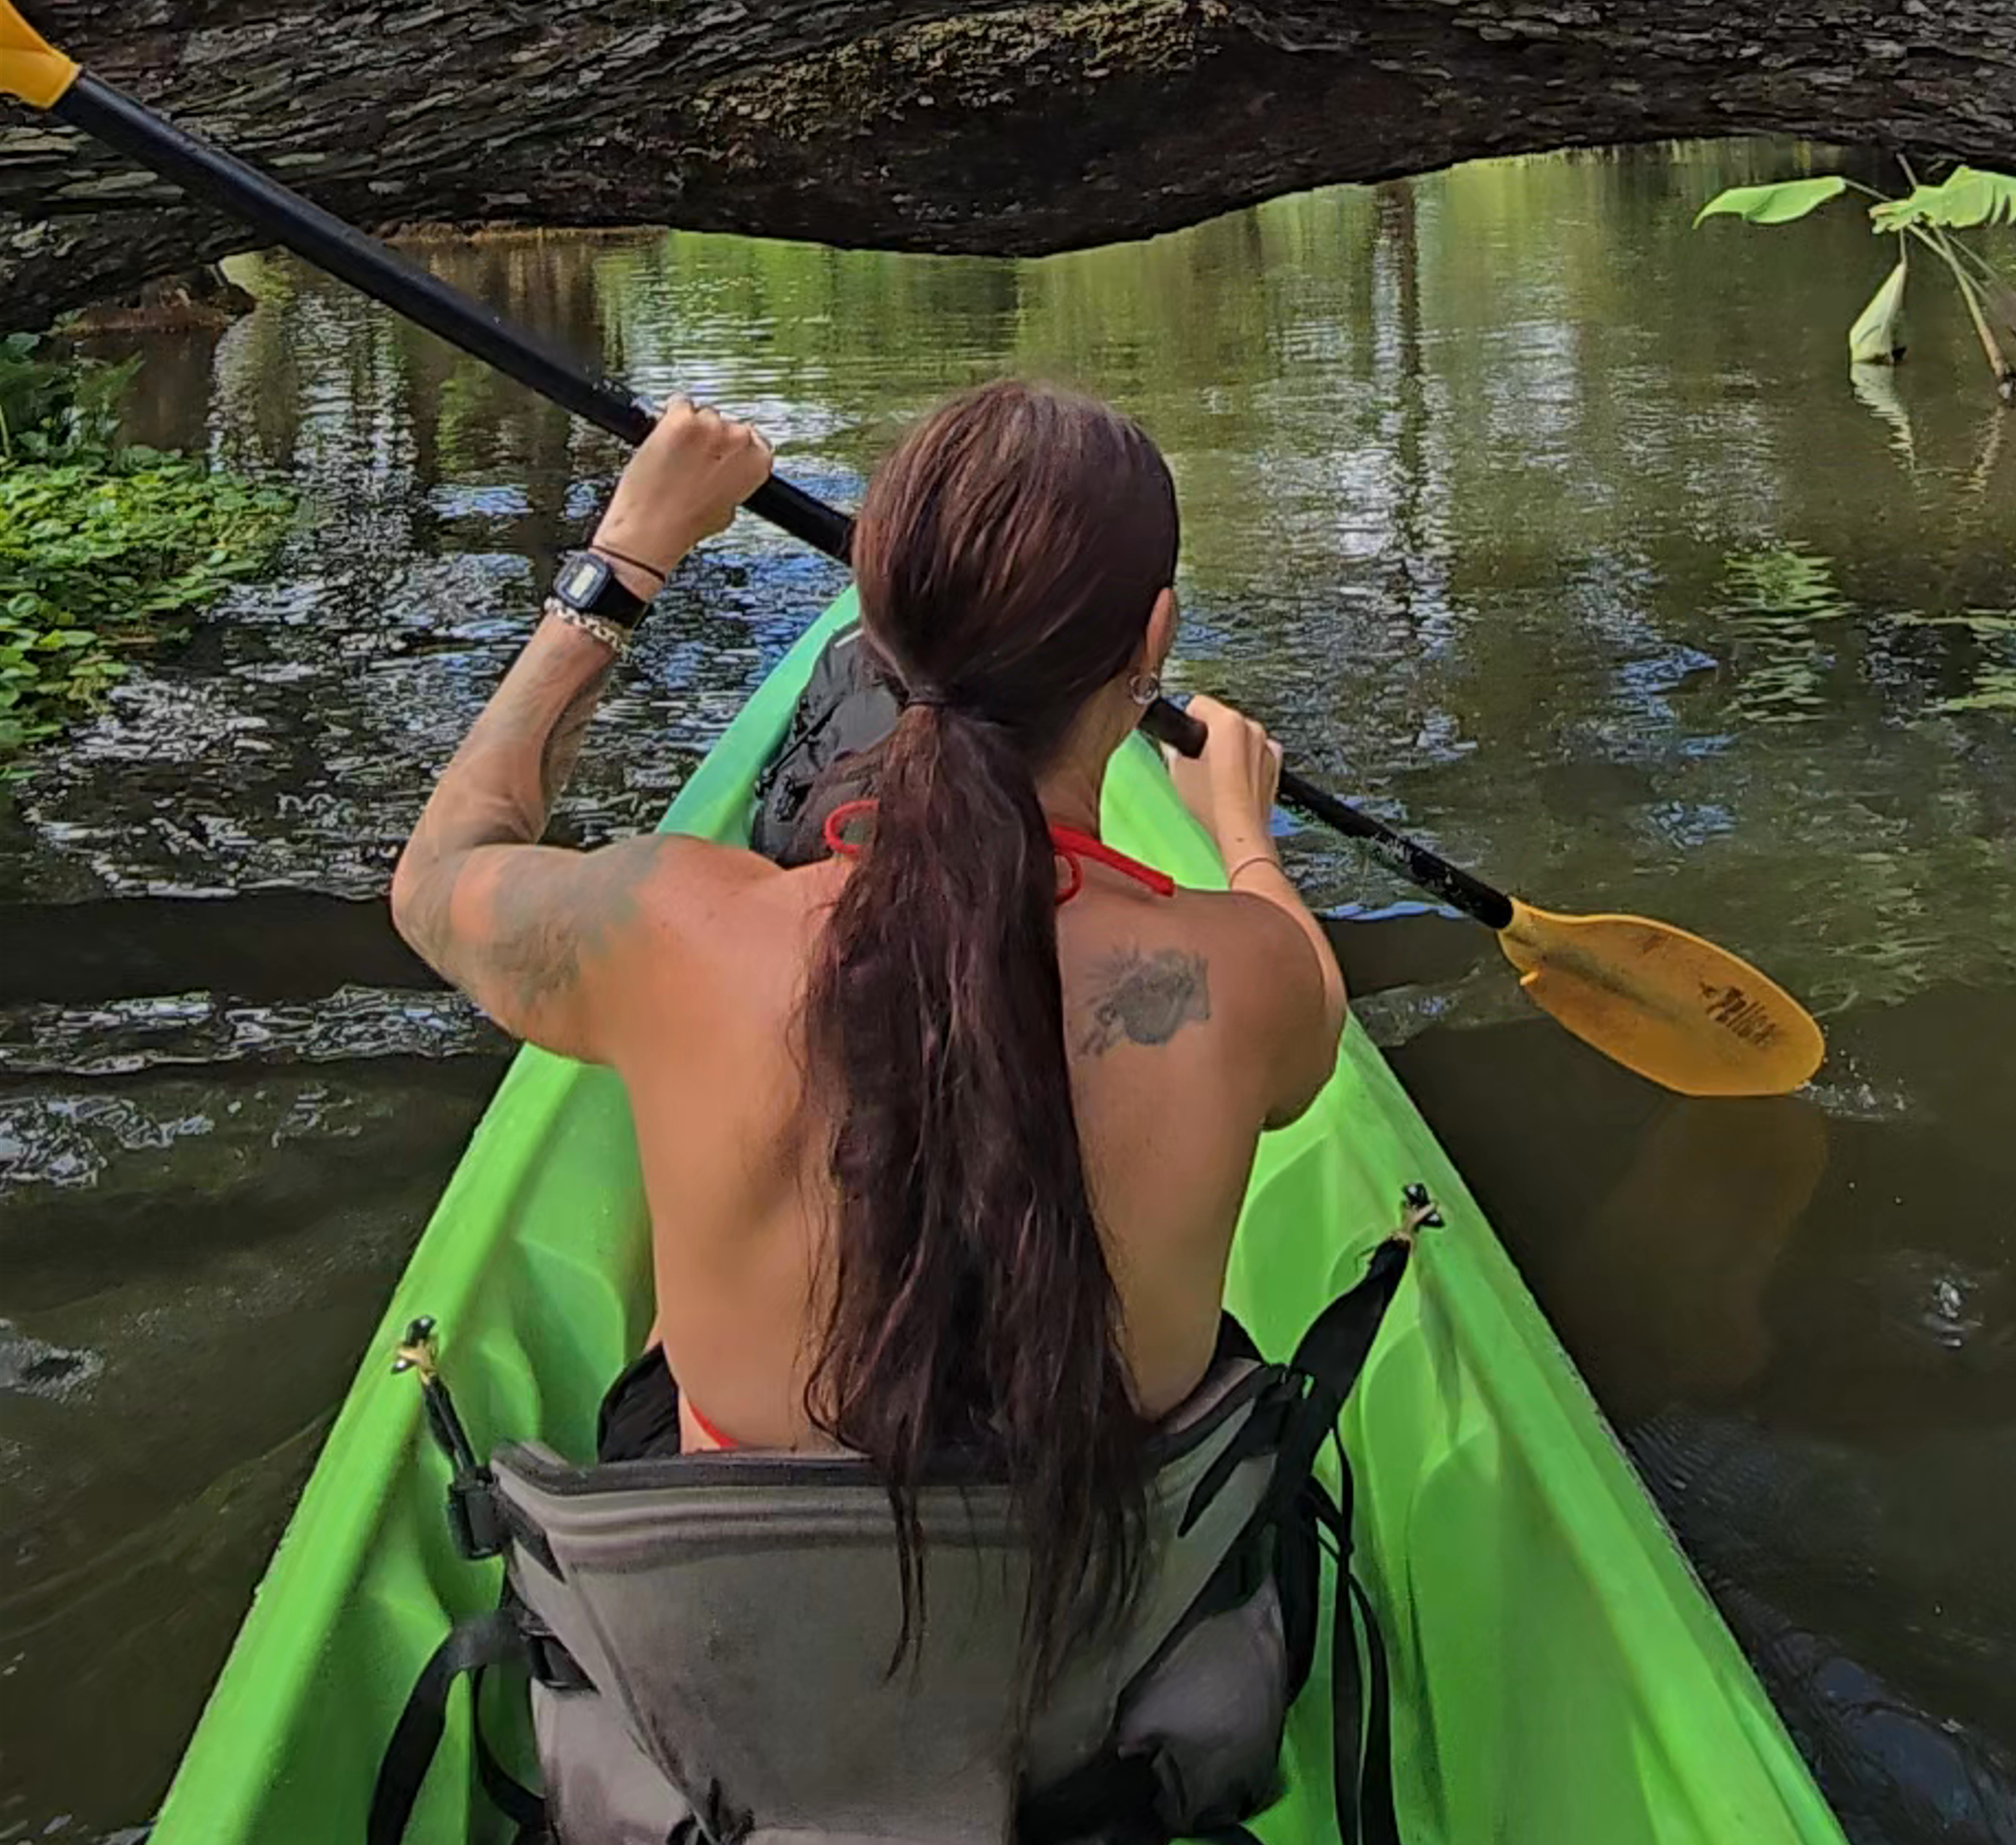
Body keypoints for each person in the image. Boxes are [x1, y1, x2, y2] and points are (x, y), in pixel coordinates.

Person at [390, 374, 1345, 1673]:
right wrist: (1242, 825)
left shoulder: (671, 929)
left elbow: (439, 872)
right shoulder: (1246, 975)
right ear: (1153, 637)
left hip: (751, 1671)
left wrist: (627, 558)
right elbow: (1307, 987)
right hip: (1100, 1688)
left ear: (879, 639)